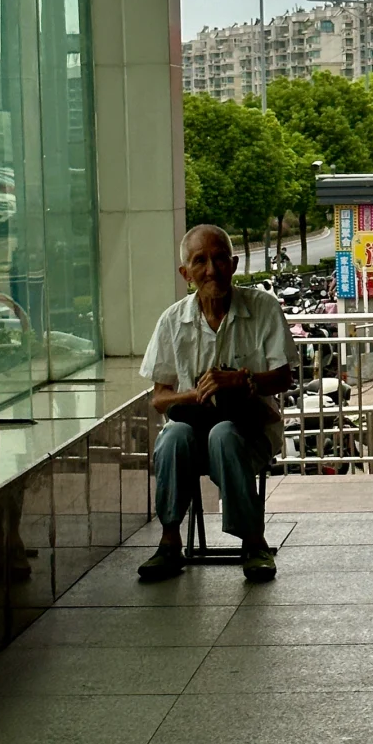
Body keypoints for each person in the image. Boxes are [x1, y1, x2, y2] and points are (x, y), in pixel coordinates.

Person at [137, 224, 298, 584]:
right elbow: (159, 398)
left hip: (249, 432)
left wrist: (244, 381)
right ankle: (168, 542)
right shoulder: (172, 321)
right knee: (174, 434)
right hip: (193, 436)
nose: (212, 269)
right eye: (200, 261)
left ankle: (254, 543)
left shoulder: (263, 307)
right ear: (186, 273)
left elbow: (285, 376)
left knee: (224, 433)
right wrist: (193, 396)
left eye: (220, 258)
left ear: (234, 263)